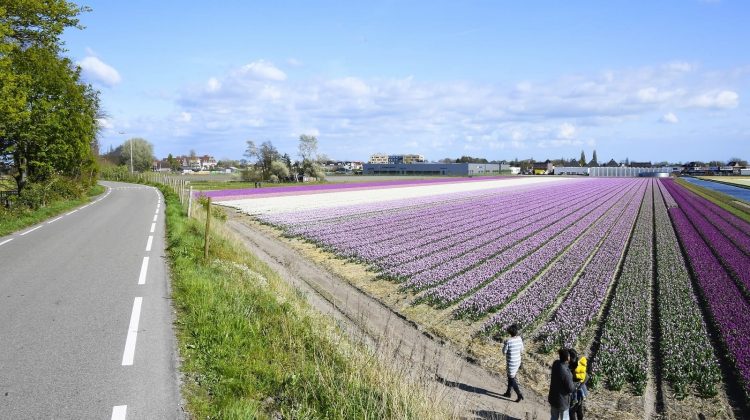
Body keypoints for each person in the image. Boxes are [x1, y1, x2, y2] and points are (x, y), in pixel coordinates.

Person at [549, 348, 575, 420]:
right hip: (562, 401)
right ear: (567, 358)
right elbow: (570, 388)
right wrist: (575, 385)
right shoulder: (566, 372)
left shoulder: (555, 363)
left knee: (554, 417)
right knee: (564, 418)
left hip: (553, 397)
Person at [501, 324, 524, 402]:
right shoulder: (520, 339)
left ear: (509, 332)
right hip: (518, 361)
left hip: (511, 363)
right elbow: (522, 350)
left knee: (511, 379)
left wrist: (504, 345)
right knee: (510, 377)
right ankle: (508, 392)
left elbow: (504, 352)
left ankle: (519, 394)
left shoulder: (508, 341)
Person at [567, 349, 588, 420]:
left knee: (571, 412)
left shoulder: (572, 367)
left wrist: (576, 388)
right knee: (579, 409)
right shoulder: (580, 365)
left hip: (574, 394)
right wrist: (580, 386)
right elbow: (587, 377)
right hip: (582, 392)